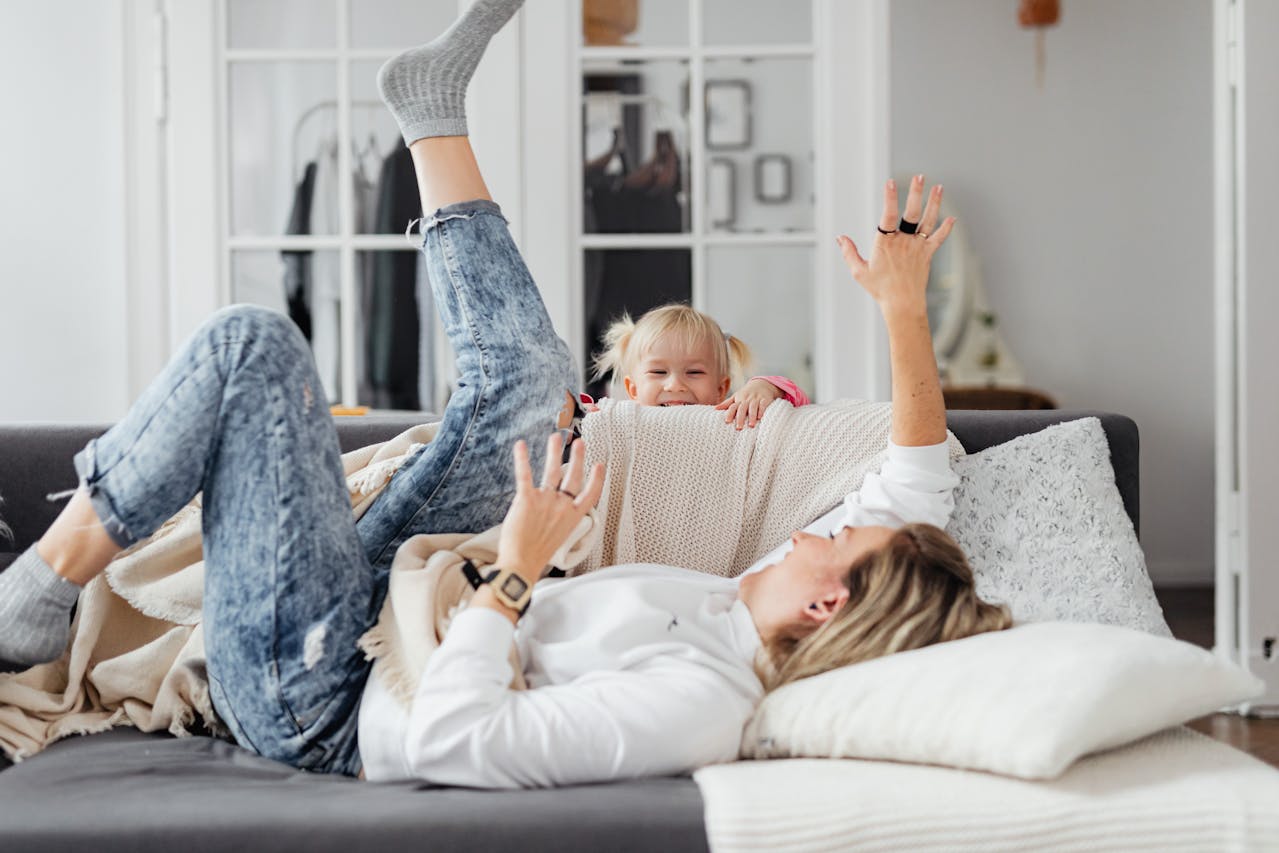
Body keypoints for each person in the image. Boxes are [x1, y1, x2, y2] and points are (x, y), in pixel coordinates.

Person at [0, 0, 1010, 788]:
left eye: (837, 540)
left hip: (322, 691)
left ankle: (38, 593)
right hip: (401, 597)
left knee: (248, 344)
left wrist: (519, 567)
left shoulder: (703, 697)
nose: (816, 527)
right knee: (528, 393)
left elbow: (453, 736)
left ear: (829, 601)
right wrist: (901, 306)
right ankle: (431, 112)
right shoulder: (727, 607)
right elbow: (918, 479)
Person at [589, 302, 811, 430]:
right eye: (658, 372)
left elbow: (800, 410)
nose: (675, 385)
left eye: (694, 372)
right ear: (633, 389)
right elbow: (583, 421)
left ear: (721, 389)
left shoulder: (732, 420)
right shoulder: (621, 423)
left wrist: (765, 388)